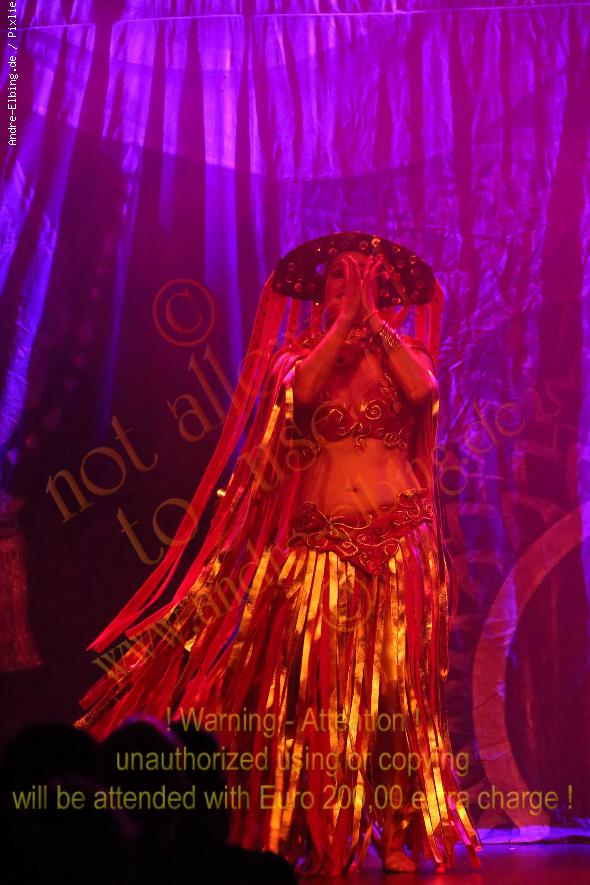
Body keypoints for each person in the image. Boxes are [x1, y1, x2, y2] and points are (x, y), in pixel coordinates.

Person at [75, 232, 483, 876]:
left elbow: (424, 395)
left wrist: (374, 327)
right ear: (319, 293)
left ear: (385, 291)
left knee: (396, 700)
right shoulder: (294, 357)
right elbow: (304, 398)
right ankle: (311, 829)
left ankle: (397, 830)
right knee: (314, 704)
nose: (352, 287)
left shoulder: (408, 354)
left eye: (365, 277)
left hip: (399, 546)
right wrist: (344, 326)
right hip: (320, 550)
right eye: (339, 277)